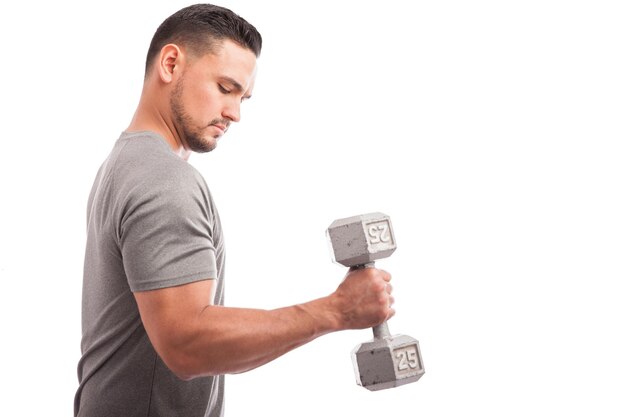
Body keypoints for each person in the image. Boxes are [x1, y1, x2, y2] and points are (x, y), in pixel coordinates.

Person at [75, 4, 394, 417]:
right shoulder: (165, 181)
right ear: (171, 63)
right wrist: (336, 310)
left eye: (243, 97)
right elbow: (187, 346)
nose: (235, 113)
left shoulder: (124, 163)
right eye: (225, 88)